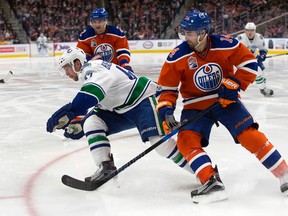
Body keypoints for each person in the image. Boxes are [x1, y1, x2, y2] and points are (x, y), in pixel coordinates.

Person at [156, 10, 288, 204]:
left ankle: (284, 173)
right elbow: (166, 88)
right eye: (184, 32)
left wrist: (234, 83)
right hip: (195, 105)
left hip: (225, 100)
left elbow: (250, 64)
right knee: (186, 140)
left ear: (203, 33)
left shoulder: (225, 44)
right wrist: (166, 109)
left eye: (190, 33)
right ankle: (211, 181)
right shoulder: (177, 56)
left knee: (248, 134)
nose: (186, 37)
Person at [46, 47, 193, 186]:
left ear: (77, 63)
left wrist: (68, 112)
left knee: (161, 144)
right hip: (122, 108)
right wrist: (82, 122)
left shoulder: (91, 69)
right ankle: (106, 168)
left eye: (66, 68)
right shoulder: (93, 69)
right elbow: (103, 101)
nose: (66, 73)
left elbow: (90, 97)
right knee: (91, 122)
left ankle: (201, 172)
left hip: (142, 100)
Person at [237, 22, 273, 96]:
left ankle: (263, 88)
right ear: (245, 30)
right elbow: (234, 49)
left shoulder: (259, 37)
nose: (250, 32)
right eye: (248, 30)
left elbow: (263, 48)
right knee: (258, 72)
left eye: (252, 30)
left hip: (254, 58)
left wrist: (263, 55)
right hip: (243, 60)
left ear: (255, 30)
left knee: (262, 71)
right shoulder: (240, 38)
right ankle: (263, 89)